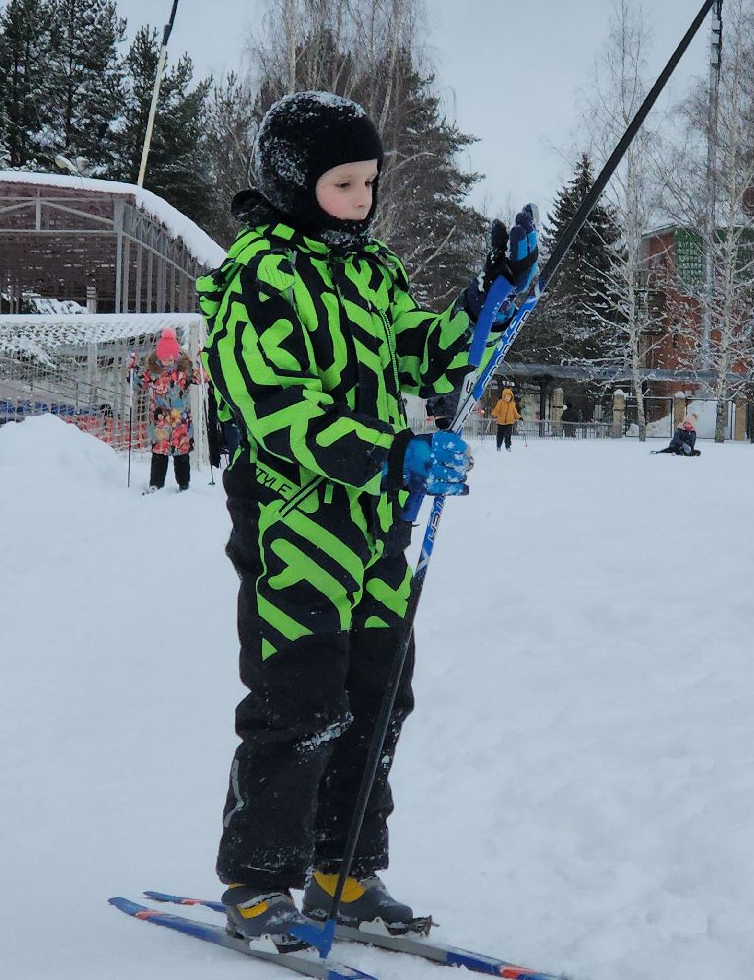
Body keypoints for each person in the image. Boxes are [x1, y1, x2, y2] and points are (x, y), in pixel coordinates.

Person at [196, 91, 536, 951]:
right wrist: (393, 454)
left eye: (370, 183)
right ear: (293, 182)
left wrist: (488, 293)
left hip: (379, 527)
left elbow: (421, 351)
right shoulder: (256, 278)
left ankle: (343, 871)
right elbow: (274, 406)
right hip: (295, 521)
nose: (363, 200)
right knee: (299, 704)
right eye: (344, 184)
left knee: (379, 697)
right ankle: (258, 879)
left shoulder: (371, 271)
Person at [143, 327, 198, 492]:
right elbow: (139, 383)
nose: (167, 362)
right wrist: (130, 372)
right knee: (159, 453)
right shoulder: (153, 370)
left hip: (180, 420)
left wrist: (205, 364)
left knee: (182, 453)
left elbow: (202, 378)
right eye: (164, 358)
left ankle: (184, 484)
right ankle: (156, 483)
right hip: (160, 420)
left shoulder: (184, 369)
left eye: (170, 358)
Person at [490, 385, 520, 450]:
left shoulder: (513, 404)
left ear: (511, 397)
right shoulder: (500, 402)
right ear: (504, 396)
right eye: (506, 396)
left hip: (509, 422)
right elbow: (497, 409)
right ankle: (498, 446)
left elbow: (515, 412)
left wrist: (519, 417)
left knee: (508, 435)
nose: (507, 398)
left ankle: (508, 446)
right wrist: (494, 414)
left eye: (509, 397)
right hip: (501, 422)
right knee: (500, 435)